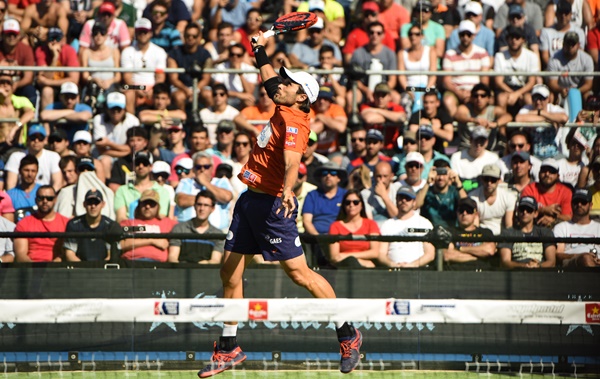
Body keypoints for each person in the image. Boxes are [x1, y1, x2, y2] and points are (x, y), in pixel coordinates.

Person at [197, 32, 362, 378]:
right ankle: (229, 347)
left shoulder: (295, 123)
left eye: (287, 82)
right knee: (229, 272)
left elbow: (291, 162)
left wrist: (288, 191)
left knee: (300, 275)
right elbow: (268, 74)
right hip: (249, 202)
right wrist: (258, 48)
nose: (279, 84)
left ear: (301, 95)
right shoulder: (285, 103)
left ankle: (348, 334)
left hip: (273, 205)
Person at [442, 20, 491, 117]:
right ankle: (455, 128)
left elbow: (484, 80)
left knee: (484, 98)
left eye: (468, 34)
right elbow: (446, 81)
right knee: (448, 100)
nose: (465, 37)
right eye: (462, 34)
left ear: (473, 36)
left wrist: (473, 93)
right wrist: (458, 92)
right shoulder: (450, 54)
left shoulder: (482, 53)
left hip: (476, 91)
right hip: (455, 90)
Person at [378, 186, 435, 267]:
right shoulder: (387, 224)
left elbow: (430, 254)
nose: (403, 201)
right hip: (393, 271)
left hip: (419, 271)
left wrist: (412, 265)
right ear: (396, 200)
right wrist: (393, 265)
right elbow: (381, 254)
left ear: (414, 202)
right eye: (400, 198)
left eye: (408, 198)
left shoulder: (424, 223)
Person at [174, 151, 234, 228]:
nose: (202, 170)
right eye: (198, 167)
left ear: (212, 168)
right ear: (193, 169)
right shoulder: (186, 182)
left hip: (218, 234)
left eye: (206, 167)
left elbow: (226, 197)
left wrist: (204, 182)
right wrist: (212, 200)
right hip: (189, 232)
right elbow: (181, 200)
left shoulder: (221, 181)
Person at [121, 18, 167, 114]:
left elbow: (160, 77)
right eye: (140, 32)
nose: (142, 35)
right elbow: (127, 77)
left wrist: (152, 90)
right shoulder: (127, 51)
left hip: (152, 87)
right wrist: (139, 89)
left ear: (150, 33)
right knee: (127, 90)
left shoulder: (159, 52)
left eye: (145, 32)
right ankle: (132, 123)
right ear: (135, 33)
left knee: (161, 94)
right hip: (133, 87)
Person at [14, 185, 69, 262]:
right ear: (36, 200)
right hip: (31, 269)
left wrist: (52, 267)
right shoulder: (23, 224)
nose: (45, 201)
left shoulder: (66, 223)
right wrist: (36, 269)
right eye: (41, 198)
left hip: (57, 269)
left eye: (49, 198)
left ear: (55, 200)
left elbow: (67, 253)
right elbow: (21, 255)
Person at [499, 196, 557, 269]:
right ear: (517, 211)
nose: (525, 212)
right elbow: (505, 262)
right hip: (516, 273)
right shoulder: (508, 233)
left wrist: (538, 266)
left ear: (535, 213)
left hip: (541, 274)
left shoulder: (546, 233)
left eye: (529, 210)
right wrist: (525, 266)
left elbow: (551, 262)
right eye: (522, 209)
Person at [119, 189, 177, 262]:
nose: (147, 206)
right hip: (132, 263)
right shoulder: (129, 223)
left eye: (152, 203)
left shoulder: (167, 223)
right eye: (144, 203)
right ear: (139, 205)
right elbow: (122, 244)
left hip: (158, 266)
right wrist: (152, 240)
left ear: (158, 207)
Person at [168, 190, 225, 264]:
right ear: (194, 206)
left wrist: (203, 265)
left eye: (206, 205)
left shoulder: (217, 234)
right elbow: (172, 258)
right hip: (181, 272)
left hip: (205, 273)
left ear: (212, 209)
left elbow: (215, 260)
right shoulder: (179, 229)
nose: (202, 208)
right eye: (199, 204)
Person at [493, 25, 540, 113]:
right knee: (501, 98)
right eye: (511, 38)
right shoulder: (499, 56)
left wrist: (518, 94)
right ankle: (502, 125)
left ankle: (529, 125)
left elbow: (532, 82)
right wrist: (513, 93)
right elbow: (498, 82)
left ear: (523, 40)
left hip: (525, 89)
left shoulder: (532, 56)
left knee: (529, 99)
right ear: (507, 40)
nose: (514, 40)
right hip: (506, 89)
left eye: (517, 37)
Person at [64, 189, 120, 261]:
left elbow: (111, 255)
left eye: (96, 203)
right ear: (84, 204)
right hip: (79, 269)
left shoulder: (110, 226)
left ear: (103, 204)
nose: (93, 206)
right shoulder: (73, 225)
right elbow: (70, 254)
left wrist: (99, 269)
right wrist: (85, 270)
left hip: (103, 270)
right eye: (89, 203)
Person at [328, 189, 380, 268]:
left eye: (355, 202)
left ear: (361, 205)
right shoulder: (335, 226)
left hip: (366, 269)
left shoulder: (371, 224)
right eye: (347, 202)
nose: (351, 205)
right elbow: (334, 257)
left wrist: (348, 255)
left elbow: (375, 252)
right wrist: (360, 261)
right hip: (344, 267)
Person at [454, 83, 512, 153]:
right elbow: (458, 116)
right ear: (471, 98)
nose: (479, 98)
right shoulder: (465, 108)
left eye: (483, 96)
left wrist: (495, 124)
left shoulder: (493, 110)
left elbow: (508, 116)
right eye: (476, 96)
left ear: (488, 98)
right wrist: (473, 120)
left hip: (488, 151)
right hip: (466, 149)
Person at [114, 150, 171, 221]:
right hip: (130, 230)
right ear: (133, 166)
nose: (141, 166)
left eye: (145, 163)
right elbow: (121, 218)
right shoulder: (122, 190)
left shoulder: (163, 191)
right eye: (137, 163)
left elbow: (161, 217)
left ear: (151, 167)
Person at [515, 84, 568, 160]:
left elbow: (564, 118)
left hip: (555, 155)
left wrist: (540, 113)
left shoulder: (554, 108)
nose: (538, 101)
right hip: (533, 156)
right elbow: (519, 118)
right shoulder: (527, 108)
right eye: (535, 98)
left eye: (541, 98)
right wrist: (548, 118)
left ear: (548, 99)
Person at [167, 22, 212, 111]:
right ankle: (181, 123)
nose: (190, 38)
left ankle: (209, 122)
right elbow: (173, 78)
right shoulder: (174, 53)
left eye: (194, 36)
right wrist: (187, 90)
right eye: (188, 35)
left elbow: (206, 78)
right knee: (179, 97)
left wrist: (195, 90)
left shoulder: (205, 54)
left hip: (199, 87)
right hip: (180, 87)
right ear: (183, 36)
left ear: (199, 37)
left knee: (208, 95)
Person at [4, 124, 62, 192]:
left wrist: (46, 197)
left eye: (40, 138)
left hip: (46, 198)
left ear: (45, 140)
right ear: (28, 139)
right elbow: (10, 185)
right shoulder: (16, 157)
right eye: (33, 137)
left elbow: (57, 184)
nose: (36, 141)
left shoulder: (53, 156)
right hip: (21, 197)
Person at [443, 197, 497, 270]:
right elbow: (448, 255)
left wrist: (460, 249)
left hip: (482, 274)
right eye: (461, 210)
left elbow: (489, 250)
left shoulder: (486, 232)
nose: (464, 213)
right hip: (455, 274)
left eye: (469, 210)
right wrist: (478, 256)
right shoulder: (449, 232)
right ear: (457, 213)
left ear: (476, 214)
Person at [34, 27, 80, 112]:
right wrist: (55, 57)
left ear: (63, 40)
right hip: (53, 87)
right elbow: (42, 79)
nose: (54, 42)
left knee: (73, 91)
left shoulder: (69, 50)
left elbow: (74, 80)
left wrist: (47, 82)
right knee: (47, 91)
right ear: (47, 39)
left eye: (57, 38)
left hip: (66, 86)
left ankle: (73, 122)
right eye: (52, 38)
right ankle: (46, 124)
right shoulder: (40, 51)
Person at [397, 24, 438, 118]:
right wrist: (408, 90)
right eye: (411, 34)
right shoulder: (402, 53)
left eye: (417, 34)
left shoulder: (430, 50)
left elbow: (433, 74)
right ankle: (408, 125)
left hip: (428, 87)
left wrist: (426, 90)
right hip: (410, 88)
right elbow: (401, 75)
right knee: (405, 101)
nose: (413, 36)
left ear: (422, 36)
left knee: (430, 101)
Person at [553, 189, 600, 267]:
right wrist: (579, 256)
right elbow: (558, 254)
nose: (579, 205)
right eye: (576, 202)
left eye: (583, 202)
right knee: (586, 258)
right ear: (571, 204)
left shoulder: (598, 227)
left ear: (591, 205)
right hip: (571, 263)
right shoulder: (561, 227)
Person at [521, 158, 573, 227]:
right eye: (544, 171)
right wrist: (544, 210)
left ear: (558, 176)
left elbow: (568, 217)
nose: (547, 174)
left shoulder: (565, 192)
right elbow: (523, 213)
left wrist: (553, 220)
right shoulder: (530, 189)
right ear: (539, 173)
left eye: (551, 172)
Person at [416, 160, 467, 228]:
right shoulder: (425, 191)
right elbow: (415, 205)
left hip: (452, 231)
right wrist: (428, 182)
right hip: (430, 232)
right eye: (438, 173)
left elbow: (467, 205)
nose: (441, 178)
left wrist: (458, 183)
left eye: (444, 173)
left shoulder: (454, 191)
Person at [469, 164, 517, 235]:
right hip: (481, 236)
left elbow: (508, 225)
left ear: (499, 180)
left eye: (493, 180)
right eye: (486, 179)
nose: (489, 183)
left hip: (502, 236)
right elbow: (475, 225)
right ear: (482, 179)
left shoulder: (508, 197)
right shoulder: (473, 197)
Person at [79, 22, 122, 97]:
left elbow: (118, 75)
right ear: (92, 36)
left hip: (111, 86)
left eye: (102, 33)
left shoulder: (114, 51)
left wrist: (110, 81)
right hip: (92, 86)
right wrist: (94, 79)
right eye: (95, 33)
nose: (99, 36)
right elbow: (85, 74)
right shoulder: (86, 52)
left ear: (106, 36)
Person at [359, 83, 407, 151]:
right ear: (373, 96)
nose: (380, 98)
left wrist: (376, 110)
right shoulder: (366, 106)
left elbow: (402, 118)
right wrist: (391, 118)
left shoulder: (395, 107)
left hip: (391, 148)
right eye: (377, 95)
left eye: (383, 95)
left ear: (389, 97)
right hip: (371, 148)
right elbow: (369, 119)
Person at [0, 19, 36, 105]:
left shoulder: (26, 50)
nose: (12, 37)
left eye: (14, 34)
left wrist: (15, 85)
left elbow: (28, 77)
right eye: (9, 34)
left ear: (19, 36)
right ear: (2, 35)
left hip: (18, 85)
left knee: (30, 91)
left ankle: (30, 114)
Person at [212, 43, 257, 110]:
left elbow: (249, 92)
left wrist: (240, 73)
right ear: (229, 56)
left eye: (238, 55)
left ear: (243, 56)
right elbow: (217, 88)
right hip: (225, 98)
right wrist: (238, 95)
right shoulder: (221, 67)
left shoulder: (250, 69)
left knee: (249, 101)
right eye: (232, 54)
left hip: (241, 100)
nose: (235, 57)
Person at [0, 69, 35, 147]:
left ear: (12, 86)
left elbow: (31, 113)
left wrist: (15, 128)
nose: (5, 85)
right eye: (1, 82)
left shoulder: (21, 100)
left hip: (18, 145)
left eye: (8, 83)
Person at [310, 85, 347, 155]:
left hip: (332, 151)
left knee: (337, 161)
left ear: (330, 101)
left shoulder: (336, 109)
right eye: (319, 98)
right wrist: (328, 124)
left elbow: (341, 128)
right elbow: (310, 130)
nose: (322, 101)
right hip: (313, 152)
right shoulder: (310, 109)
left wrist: (321, 117)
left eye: (325, 99)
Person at [360, 161, 400, 227]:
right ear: (374, 176)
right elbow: (369, 220)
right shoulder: (365, 194)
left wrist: (384, 196)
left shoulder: (397, 190)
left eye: (385, 176)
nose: (382, 180)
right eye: (378, 176)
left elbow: (397, 217)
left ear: (391, 176)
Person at [6, 154, 40, 222]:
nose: (30, 174)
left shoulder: (43, 192)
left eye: (33, 171)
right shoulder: (10, 195)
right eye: (26, 170)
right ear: (20, 171)